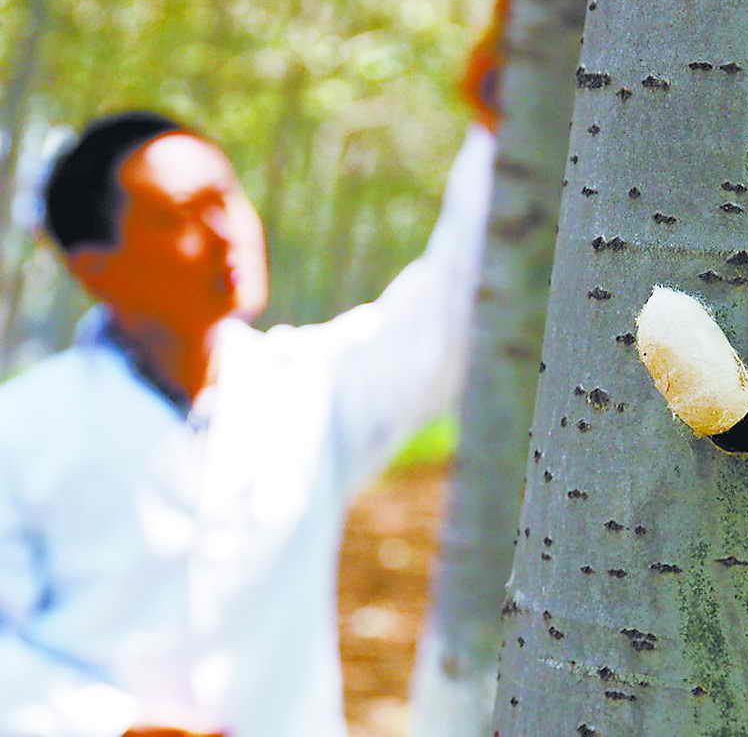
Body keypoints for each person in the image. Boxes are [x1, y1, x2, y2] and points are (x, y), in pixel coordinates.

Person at [0, 72, 497, 733]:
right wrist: (107, 724)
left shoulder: (309, 384)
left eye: (226, 197)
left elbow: (451, 305)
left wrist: (496, 119)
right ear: (95, 267)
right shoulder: (25, 427)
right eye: (179, 215)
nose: (224, 232)